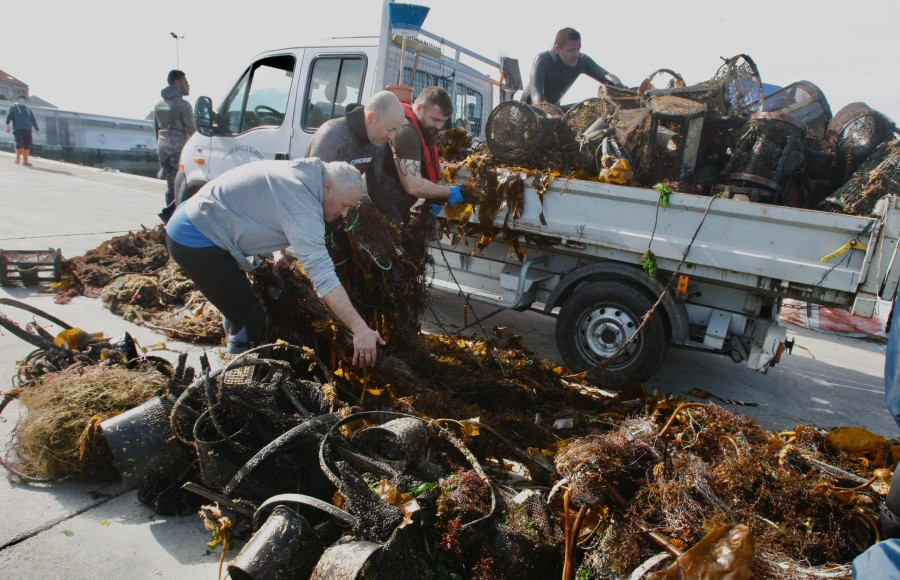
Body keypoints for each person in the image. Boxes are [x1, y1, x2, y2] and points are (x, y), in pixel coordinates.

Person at [165, 158, 384, 366]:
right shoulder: (303, 203)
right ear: (327, 187)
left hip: (197, 223)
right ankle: (232, 387)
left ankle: (232, 358)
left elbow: (270, 210)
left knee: (238, 306)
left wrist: (279, 253)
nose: (345, 214)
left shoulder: (305, 176)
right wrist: (359, 328)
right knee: (250, 317)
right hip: (195, 239)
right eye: (344, 205)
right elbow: (323, 276)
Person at [369, 86, 464, 227]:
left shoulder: (425, 127)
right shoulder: (406, 131)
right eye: (435, 119)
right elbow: (413, 186)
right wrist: (447, 191)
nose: (439, 126)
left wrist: (434, 197)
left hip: (398, 206)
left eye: (443, 121)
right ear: (419, 109)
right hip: (383, 208)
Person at [305, 90, 405, 176]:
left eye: (396, 130)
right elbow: (312, 185)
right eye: (389, 129)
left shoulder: (377, 140)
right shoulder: (332, 136)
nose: (392, 136)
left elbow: (377, 184)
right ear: (371, 118)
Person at [522, 27, 625, 107]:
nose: (576, 54)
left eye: (578, 49)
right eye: (571, 50)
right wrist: (547, 112)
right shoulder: (542, 60)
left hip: (554, 108)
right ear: (557, 49)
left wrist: (620, 87)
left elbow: (605, 75)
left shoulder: (581, 60)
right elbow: (536, 94)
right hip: (527, 110)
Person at [154, 70, 195, 223]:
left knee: (171, 185)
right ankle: (172, 219)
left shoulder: (158, 104)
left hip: (163, 149)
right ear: (176, 82)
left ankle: (170, 218)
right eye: (185, 82)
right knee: (179, 188)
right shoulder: (183, 105)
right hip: (178, 150)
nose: (188, 85)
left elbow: (155, 130)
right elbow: (193, 132)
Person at [5, 94, 40, 166]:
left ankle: (26, 160)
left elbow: (33, 120)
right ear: (17, 101)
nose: (21, 101)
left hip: (27, 130)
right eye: (20, 99)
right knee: (19, 143)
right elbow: (9, 118)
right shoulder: (14, 108)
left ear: (25, 101)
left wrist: (37, 129)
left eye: (23, 99)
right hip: (18, 129)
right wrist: (7, 127)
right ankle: (18, 158)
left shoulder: (28, 109)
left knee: (27, 145)